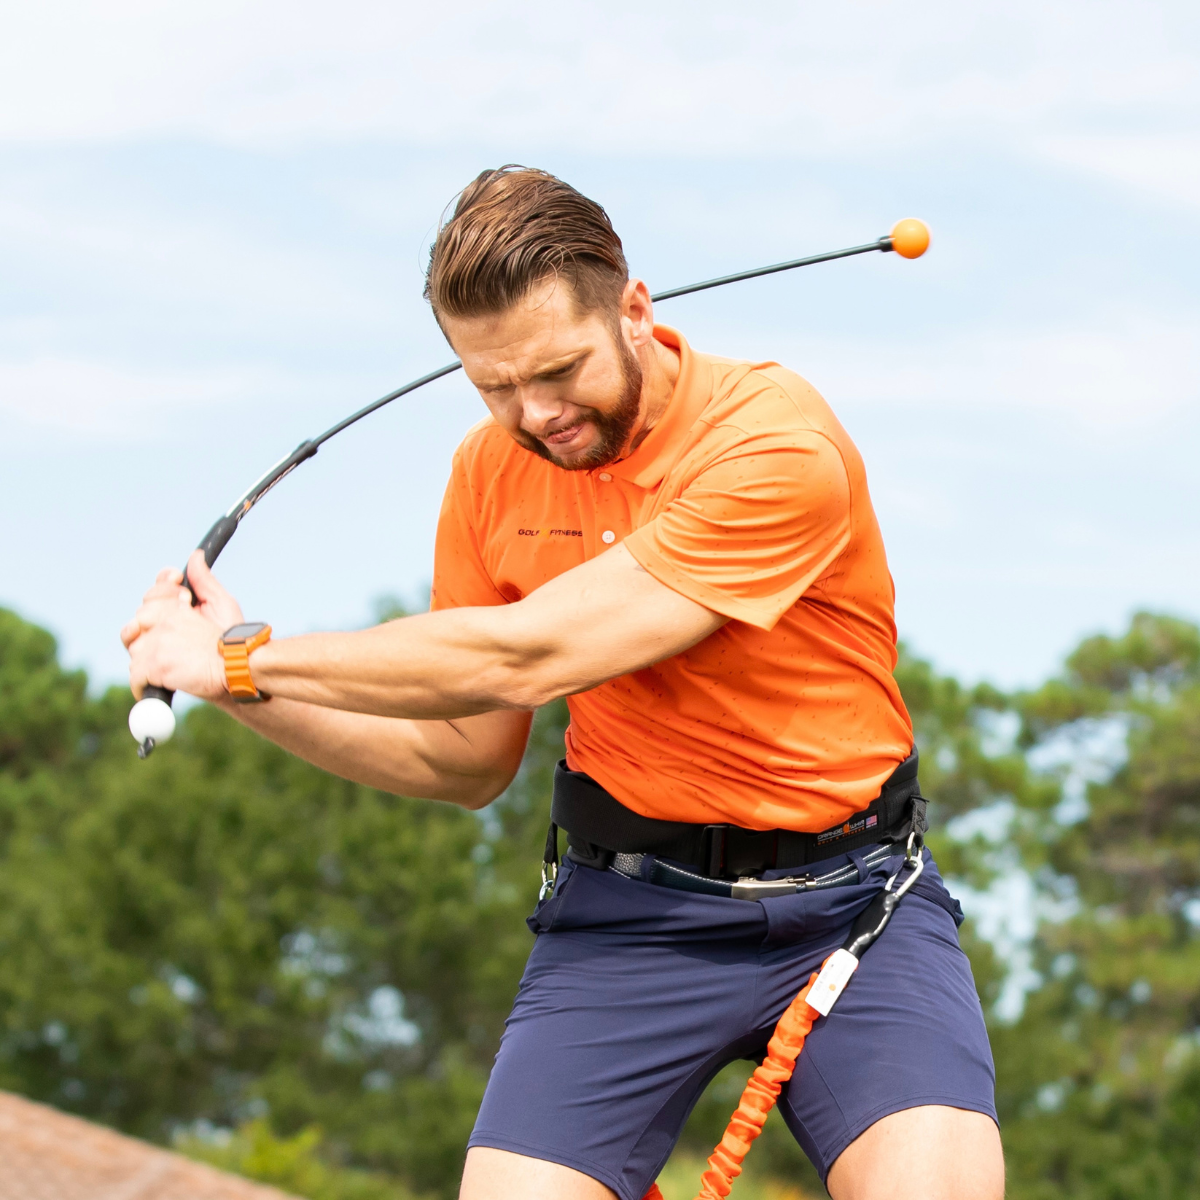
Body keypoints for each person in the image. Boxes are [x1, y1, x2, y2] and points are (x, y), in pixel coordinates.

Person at [122, 166, 1004, 1200]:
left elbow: (526, 652)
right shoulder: (490, 473)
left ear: (634, 310)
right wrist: (243, 692)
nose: (536, 413)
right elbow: (460, 759)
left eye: (558, 370)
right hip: (628, 917)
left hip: (855, 901)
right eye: (492, 384)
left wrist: (240, 654)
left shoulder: (774, 443)